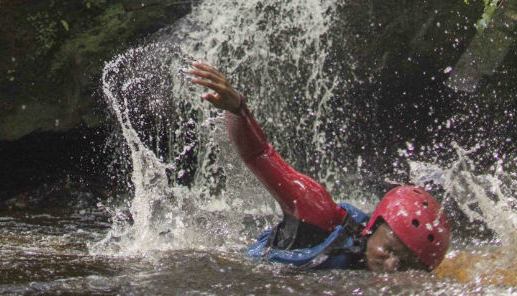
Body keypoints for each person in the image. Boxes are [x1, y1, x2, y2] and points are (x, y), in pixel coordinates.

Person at [188, 62, 452, 272]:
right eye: (390, 250)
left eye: (406, 266)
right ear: (373, 226)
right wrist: (237, 109)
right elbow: (259, 155)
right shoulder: (316, 212)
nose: (392, 266)